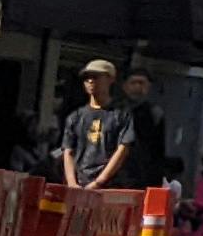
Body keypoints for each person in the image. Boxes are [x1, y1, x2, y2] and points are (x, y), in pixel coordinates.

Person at [58, 59, 141, 191]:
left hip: (110, 186)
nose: (90, 81)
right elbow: (68, 151)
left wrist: (99, 182)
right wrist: (72, 183)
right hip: (79, 184)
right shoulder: (76, 116)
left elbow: (123, 149)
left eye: (95, 77)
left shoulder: (121, 115)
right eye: (86, 78)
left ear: (110, 79)